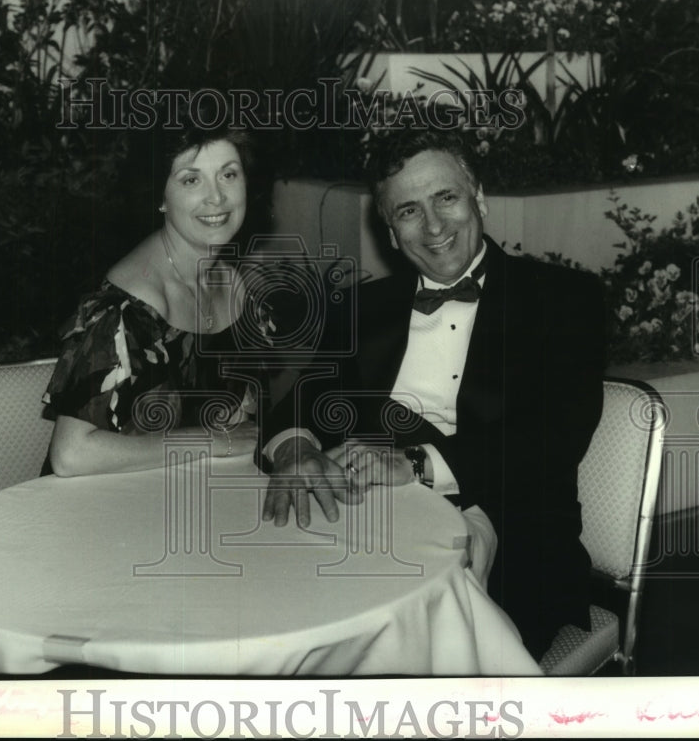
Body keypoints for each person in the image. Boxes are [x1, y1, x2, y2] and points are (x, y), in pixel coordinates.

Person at [259, 127, 605, 661]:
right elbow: (304, 400)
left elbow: (552, 437)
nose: (434, 225)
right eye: (409, 211)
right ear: (392, 234)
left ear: (479, 198)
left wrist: (415, 464)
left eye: (446, 198)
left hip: (503, 524)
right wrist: (297, 449)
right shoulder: (362, 309)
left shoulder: (563, 301)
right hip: (367, 514)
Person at [41, 111, 273, 477]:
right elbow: (70, 455)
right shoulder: (129, 307)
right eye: (191, 179)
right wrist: (214, 440)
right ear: (160, 196)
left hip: (186, 491)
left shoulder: (236, 286)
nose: (217, 197)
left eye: (228, 174)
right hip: (99, 506)